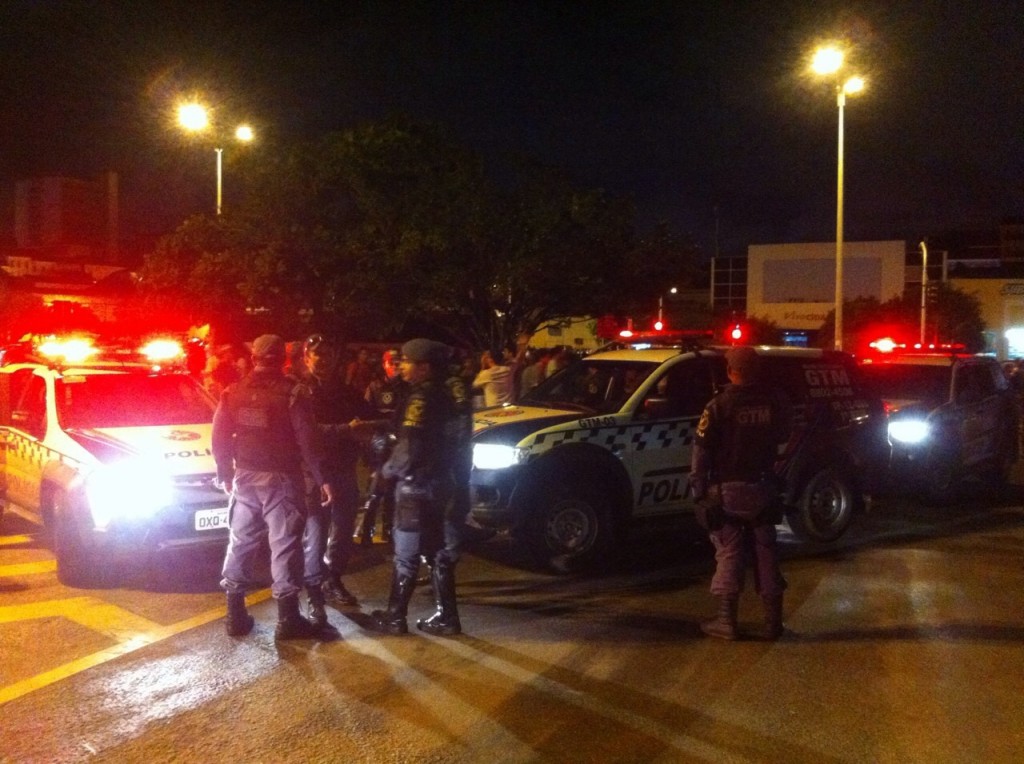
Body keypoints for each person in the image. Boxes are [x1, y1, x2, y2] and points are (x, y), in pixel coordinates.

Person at [213, 334, 334, 640]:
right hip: (281, 479)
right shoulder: (293, 393)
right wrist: (323, 478)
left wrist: (225, 472)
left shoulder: (232, 392)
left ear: (253, 359)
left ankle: (235, 616)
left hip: (245, 477)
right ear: (283, 359)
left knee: (240, 542)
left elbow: (219, 437)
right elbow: (308, 439)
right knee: (284, 547)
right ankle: (288, 620)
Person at [689, 345, 791, 641]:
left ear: (730, 370)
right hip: (763, 487)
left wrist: (699, 491)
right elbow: (784, 435)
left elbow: (701, 452)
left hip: (728, 490)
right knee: (767, 552)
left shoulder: (718, 406)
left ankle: (726, 622)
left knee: (729, 552)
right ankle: (773, 623)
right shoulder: (775, 402)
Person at [371, 338, 462, 636]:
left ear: (424, 367)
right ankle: (447, 617)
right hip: (440, 484)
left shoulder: (420, 399)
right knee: (436, 550)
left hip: (416, 487)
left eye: (408, 361)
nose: (403, 366)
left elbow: (409, 447)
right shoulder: (447, 395)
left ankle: (395, 616)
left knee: (406, 553)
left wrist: (386, 471)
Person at [299, 333, 376, 621]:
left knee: (343, 532)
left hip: (343, 470)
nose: (322, 359)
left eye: (327, 354)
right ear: (307, 358)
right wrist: (345, 429)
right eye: (316, 354)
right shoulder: (300, 392)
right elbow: (307, 432)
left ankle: (333, 580)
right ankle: (314, 590)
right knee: (316, 534)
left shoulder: (345, 391)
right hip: (316, 473)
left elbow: (369, 419)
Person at [359, 347, 408, 545]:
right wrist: (368, 449)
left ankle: (388, 530)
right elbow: (364, 416)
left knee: (395, 491)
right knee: (376, 489)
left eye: (398, 363)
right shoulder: (375, 386)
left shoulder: (408, 388)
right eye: (391, 363)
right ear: (384, 364)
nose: (395, 367)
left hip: (401, 444)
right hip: (380, 444)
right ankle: (366, 531)